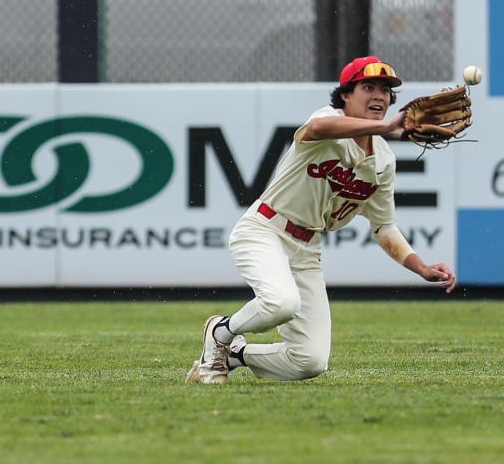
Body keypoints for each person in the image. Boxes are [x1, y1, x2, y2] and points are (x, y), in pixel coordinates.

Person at [186, 56, 456, 384]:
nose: (379, 96)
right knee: (281, 302)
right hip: (265, 229)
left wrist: (421, 267)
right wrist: (384, 127)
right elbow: (316, 129)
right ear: (345, 94)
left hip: (307, 248)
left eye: (385, 90)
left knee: (309, 361)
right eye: (367, 87)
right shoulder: (328, 120)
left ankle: (234, 354)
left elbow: (383, 226)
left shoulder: (383, 160)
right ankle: (220, 332)